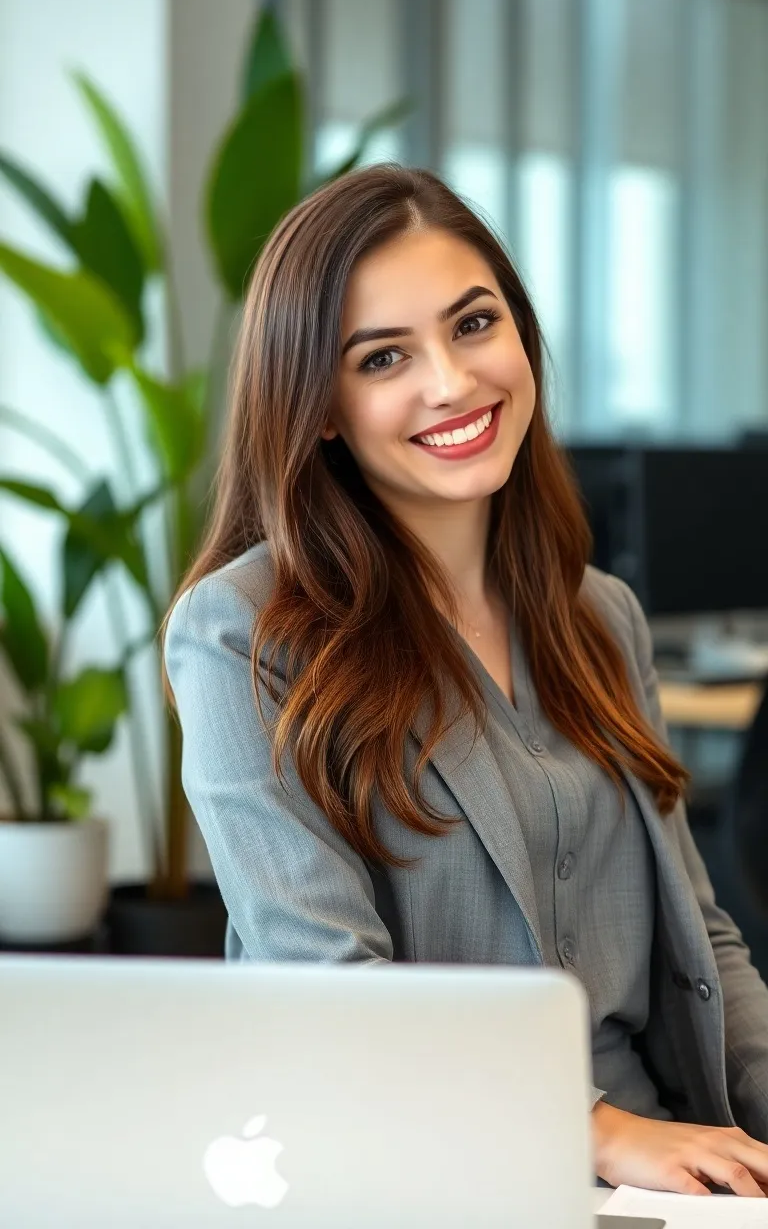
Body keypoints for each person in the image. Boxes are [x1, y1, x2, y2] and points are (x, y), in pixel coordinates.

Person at [162, 164, 768, 1197]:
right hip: (428, 1167)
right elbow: (325, 986)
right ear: (317, 406)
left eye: (474, 324)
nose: (449, 382)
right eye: (383, 356)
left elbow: (699, 936)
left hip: (665, 1162)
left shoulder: (598, 616)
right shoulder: (242, 634)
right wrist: (601, 1133)